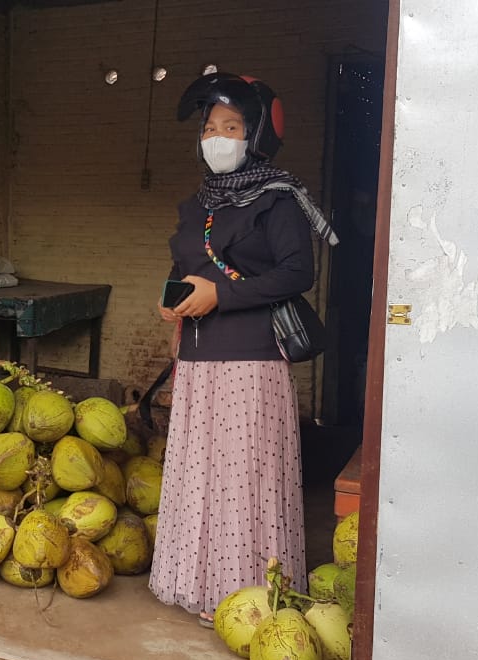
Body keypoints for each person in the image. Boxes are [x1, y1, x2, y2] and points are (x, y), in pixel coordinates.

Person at [148, 73, 338, 625]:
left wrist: (220, 294)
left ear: (256, 134)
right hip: (197, 358)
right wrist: (171, 297)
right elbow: (185, 265)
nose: (217, 137)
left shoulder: (278, 200)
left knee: (242, 479)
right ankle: (195, 581)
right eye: (210, 127)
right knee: (199, 472)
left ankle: (247, 595)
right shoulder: (196, 205)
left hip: (251, 360)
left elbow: (297, 272)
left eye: (231, 126)